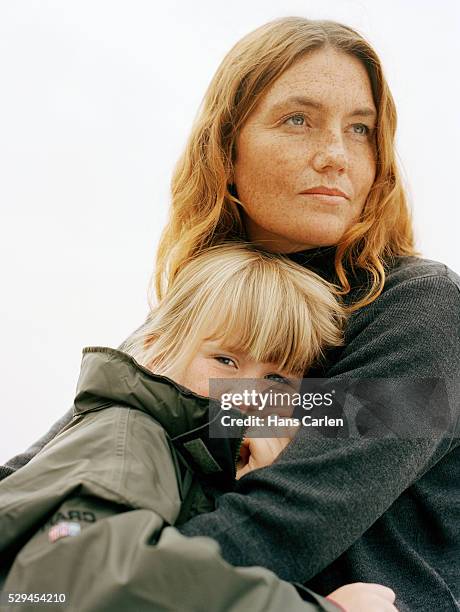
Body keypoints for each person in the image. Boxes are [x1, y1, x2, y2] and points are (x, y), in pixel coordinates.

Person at [2, 15, 459, 612]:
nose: (335, 155)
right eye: (299, 120)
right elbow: (48, 463)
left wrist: (77, 583)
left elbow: (286, 521)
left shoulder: (419, 309)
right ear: (227, 144)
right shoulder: (201, 310)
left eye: (361, 130)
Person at [0, 243, 397, 612]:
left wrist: (250, 485)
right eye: (225, 360)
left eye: (276, 380)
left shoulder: (190, 456)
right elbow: (78, 582)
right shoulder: (127, 436)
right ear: (157, 350)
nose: (246, 393)